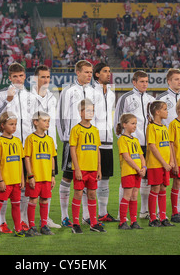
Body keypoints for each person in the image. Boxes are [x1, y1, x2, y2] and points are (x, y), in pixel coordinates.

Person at [0, 62, 37, 232]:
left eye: (21, 76)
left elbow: (34, 121)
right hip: (7, 149)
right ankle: (2, 222)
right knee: (5, 187)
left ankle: (22, 220)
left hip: (25, 149)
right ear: (9, 77)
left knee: (23, 186)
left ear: (25, 76)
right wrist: (7, 101)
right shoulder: (2, 94)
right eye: (15, 76)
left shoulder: (31, 96)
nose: (18, 79)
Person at [56, 60, 96, 227]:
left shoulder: (93, 91)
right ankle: (65, 216)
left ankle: (87, 215)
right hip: (71, 140)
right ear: (77, 73)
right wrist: (66, 137)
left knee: (88, 179)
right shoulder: (69, 91)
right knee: (68, 176)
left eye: (90, 72)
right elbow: (61, 116)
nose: (89, 75)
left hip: (89, 142)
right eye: (86, 72)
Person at [113, 70, 155, 220]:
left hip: (147, 143)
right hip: (131, 144)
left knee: (145, 176)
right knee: (128, 177)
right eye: (141, 81)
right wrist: (123, 139)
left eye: (146, 81)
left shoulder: (151, 99)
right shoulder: (125, 98)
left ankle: (143, 211)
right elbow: (118, 120)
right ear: (134, 82)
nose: (144, 84)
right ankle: (121, 214)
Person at [30, 65, 60, 229]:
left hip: (50, 146)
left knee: (48, 185)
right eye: (43, 77)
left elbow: (54, 123)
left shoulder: (53, 97)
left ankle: (45, 219)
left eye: (48, 77)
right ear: (36, 79)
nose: (46, 80)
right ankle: (26, 220)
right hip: (35, 147)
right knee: (32, 185)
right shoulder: (28, 97)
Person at [69, 99, 105, 234]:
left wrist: (99, 168)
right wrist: (77, 168)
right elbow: (73, 149)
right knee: (78, 194)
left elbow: (97, 150)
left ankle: (94, 223)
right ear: (81, 112)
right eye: (88, 111)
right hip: (80, 168)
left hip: (93, 169)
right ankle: (76, 224)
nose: (91, 113)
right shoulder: (76, 129)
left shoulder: (95, 130)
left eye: (93, 111)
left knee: (92, 194)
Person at [0, 111, 26, 239]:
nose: (14, 127)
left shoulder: (17, 141)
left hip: (16, 181)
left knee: (16, 204)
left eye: (15, 124)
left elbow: (20, 161)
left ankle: (18, 229)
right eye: (11, 124)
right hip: (5, 181)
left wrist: (22, 178)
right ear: (2, 125)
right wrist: (0, 180)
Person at [90, 62, 117, 223]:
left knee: (105, 177)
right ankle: (88, 215)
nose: (109, 73)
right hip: (95, 141)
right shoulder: (91, 92)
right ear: (97, 74)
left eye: (109, 71)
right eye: (105, 71)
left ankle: (103, 213)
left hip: (108, 140)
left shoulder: (112, 93)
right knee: (93, 178)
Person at [24, 111, 57, 236]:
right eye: (44, 121)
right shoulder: (30, 139)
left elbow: (52, 158)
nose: (47, 123)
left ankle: (44, 225)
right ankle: (31, 227)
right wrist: (30, 175)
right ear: (36, 122)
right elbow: (27, 158)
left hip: (46, 176)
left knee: (44, 200)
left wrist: (52, 176)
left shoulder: (49, 139)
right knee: (33, 200)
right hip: (35, 177)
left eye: (48, 121)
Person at [145, 101, 176, 227]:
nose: (167, 111)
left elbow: (168, 145)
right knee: (155, 188)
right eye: (164, 109)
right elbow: (152, 146)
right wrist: (164, 163)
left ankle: (163, 217)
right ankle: (153, 218)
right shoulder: (151, 127)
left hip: (166, 164)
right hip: (156, 164)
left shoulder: (164, 127)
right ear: (157, 112)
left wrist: (172, 160)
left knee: (163, 188)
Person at [116, 113, 146, 230]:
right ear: (124, 125)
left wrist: (144, 168)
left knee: (134, 196)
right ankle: (122, 221)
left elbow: (141, 156)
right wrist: (138, 169)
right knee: (127, 196)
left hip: (138, 172)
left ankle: (134, 221)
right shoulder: (122, 139)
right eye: (132, 123)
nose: (135, 126)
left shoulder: (135, 140)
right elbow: (127, 157)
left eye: (135, 124)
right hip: (128, 171)